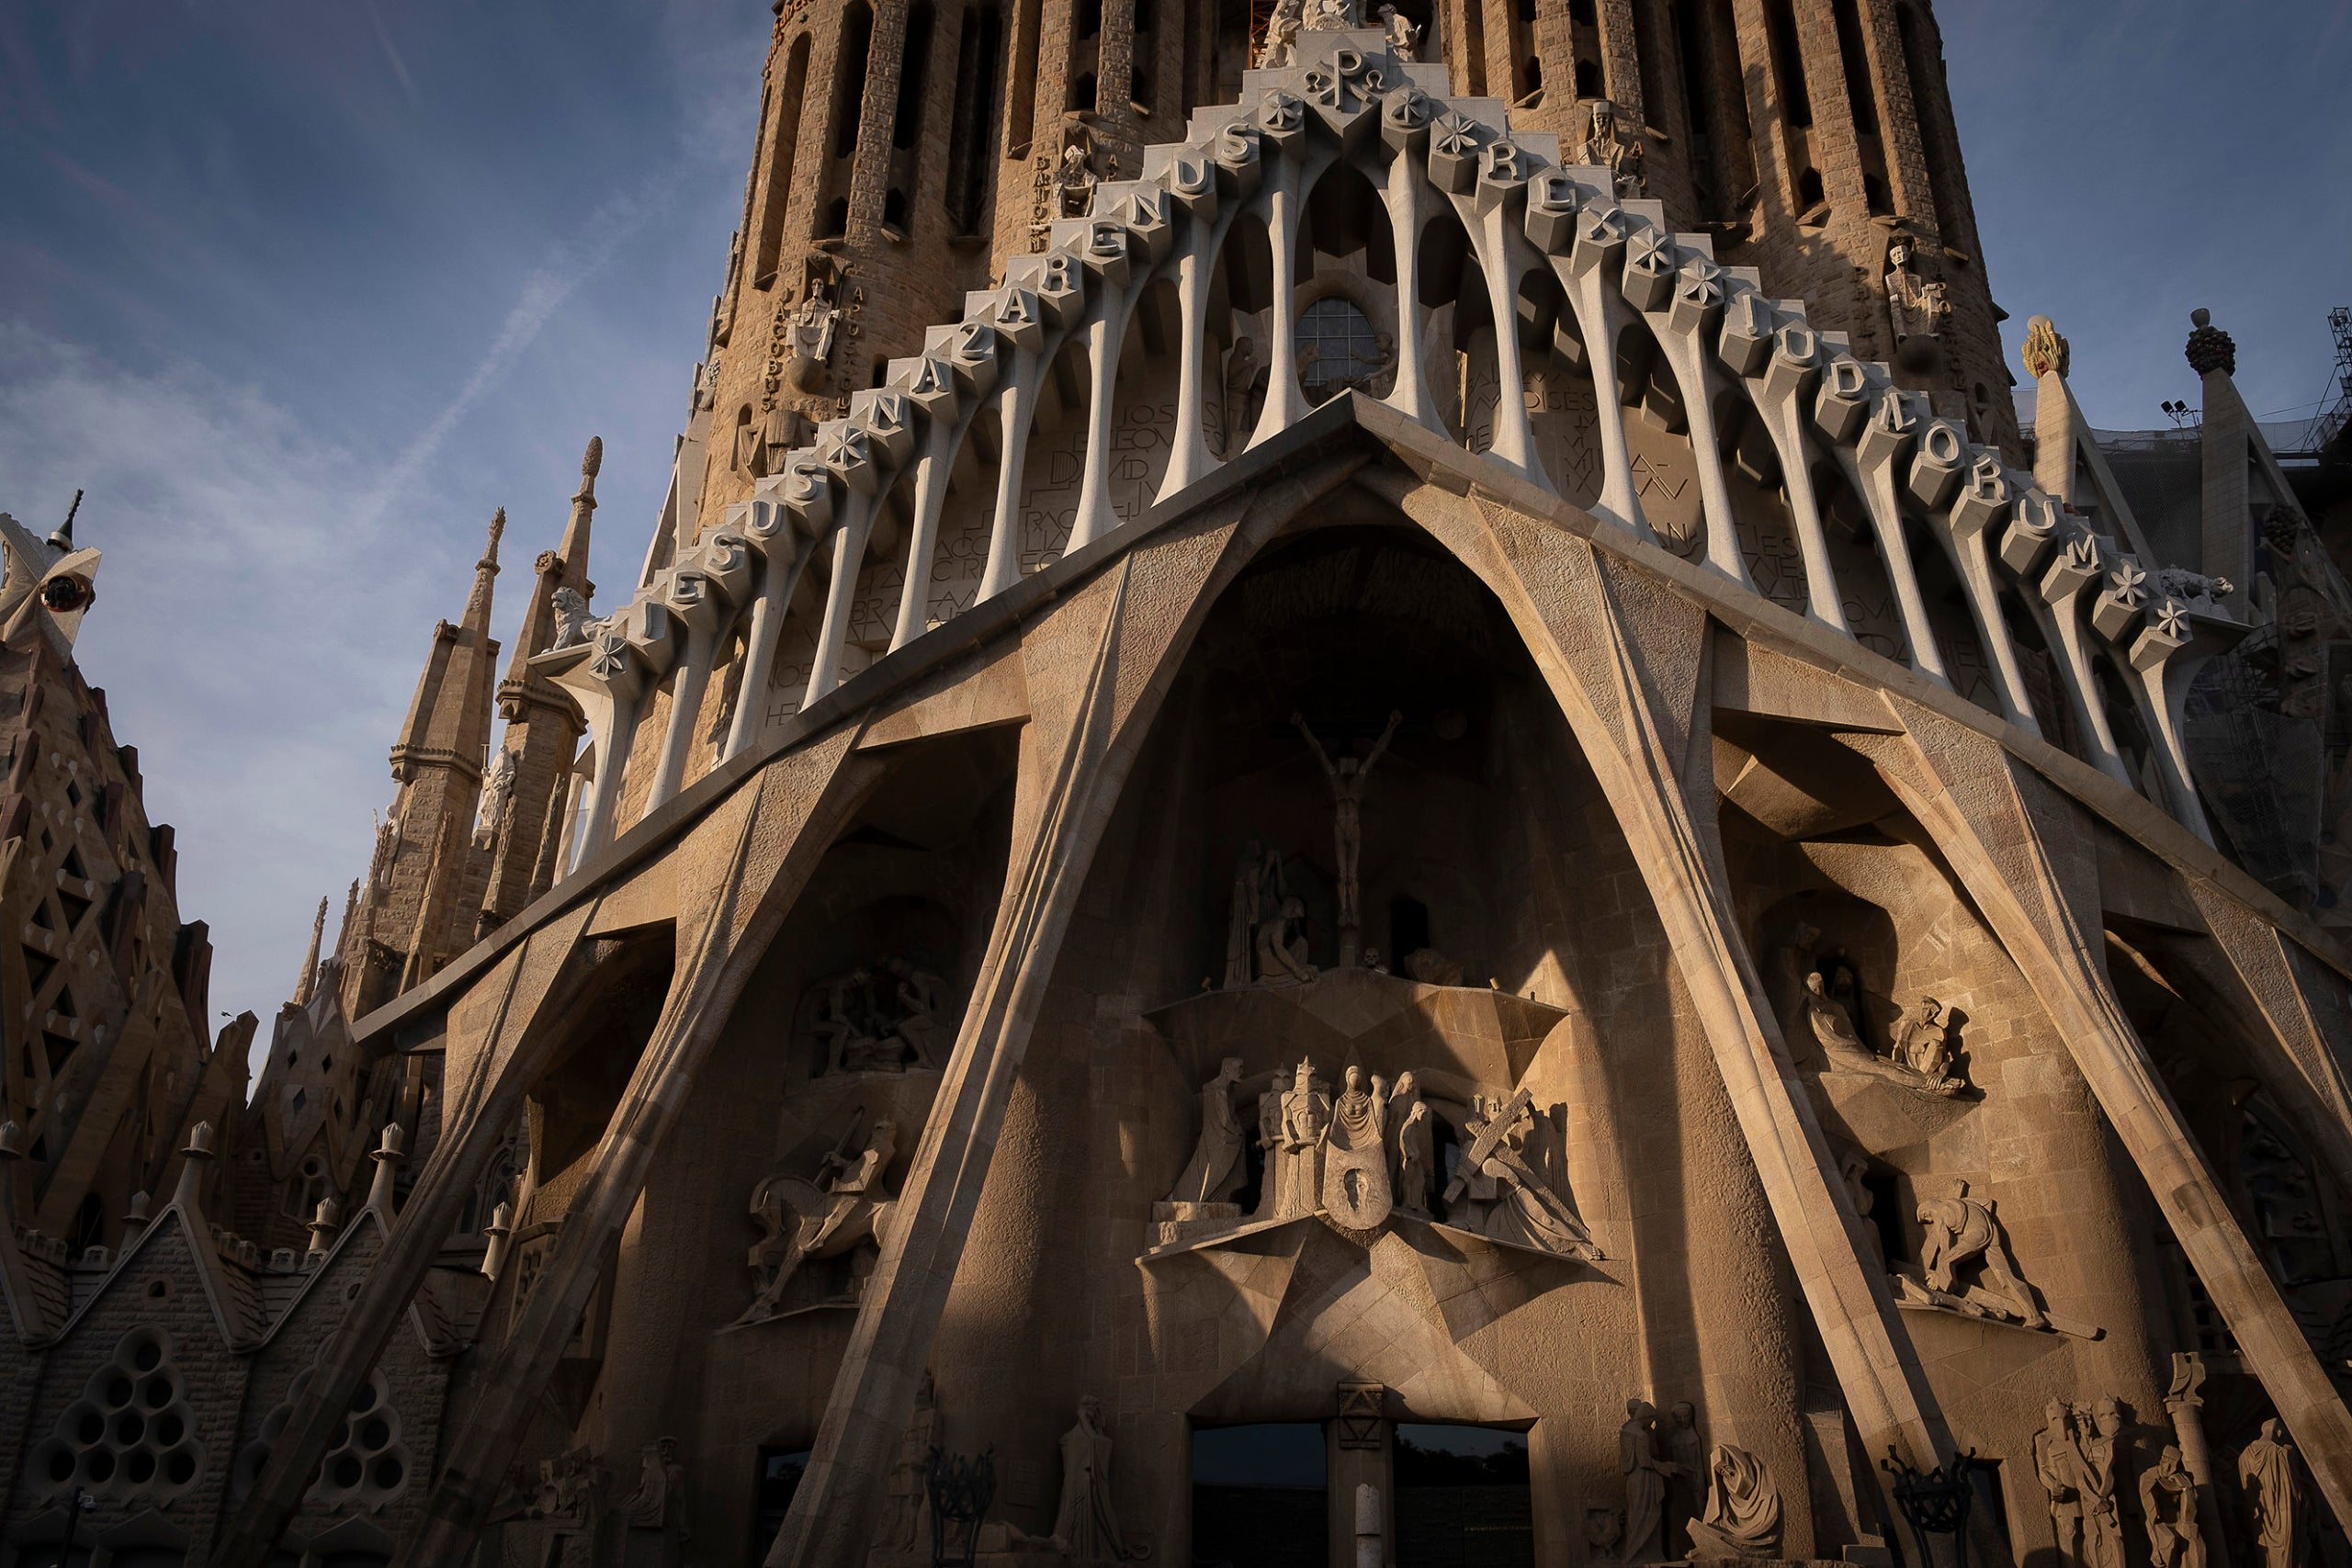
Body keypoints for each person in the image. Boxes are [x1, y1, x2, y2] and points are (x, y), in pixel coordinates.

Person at [1292, 709, 1403, 931]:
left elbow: (1377, 752)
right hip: (1340, 828)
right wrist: (1302, 726)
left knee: (1353, 875)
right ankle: (1345, 911)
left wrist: (1391, 726)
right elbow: (1318, 751)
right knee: (1344, 875)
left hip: (1353, 828)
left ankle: (1353, 911)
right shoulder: (1335, 780)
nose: (1347, 766)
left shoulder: (1360, 779)